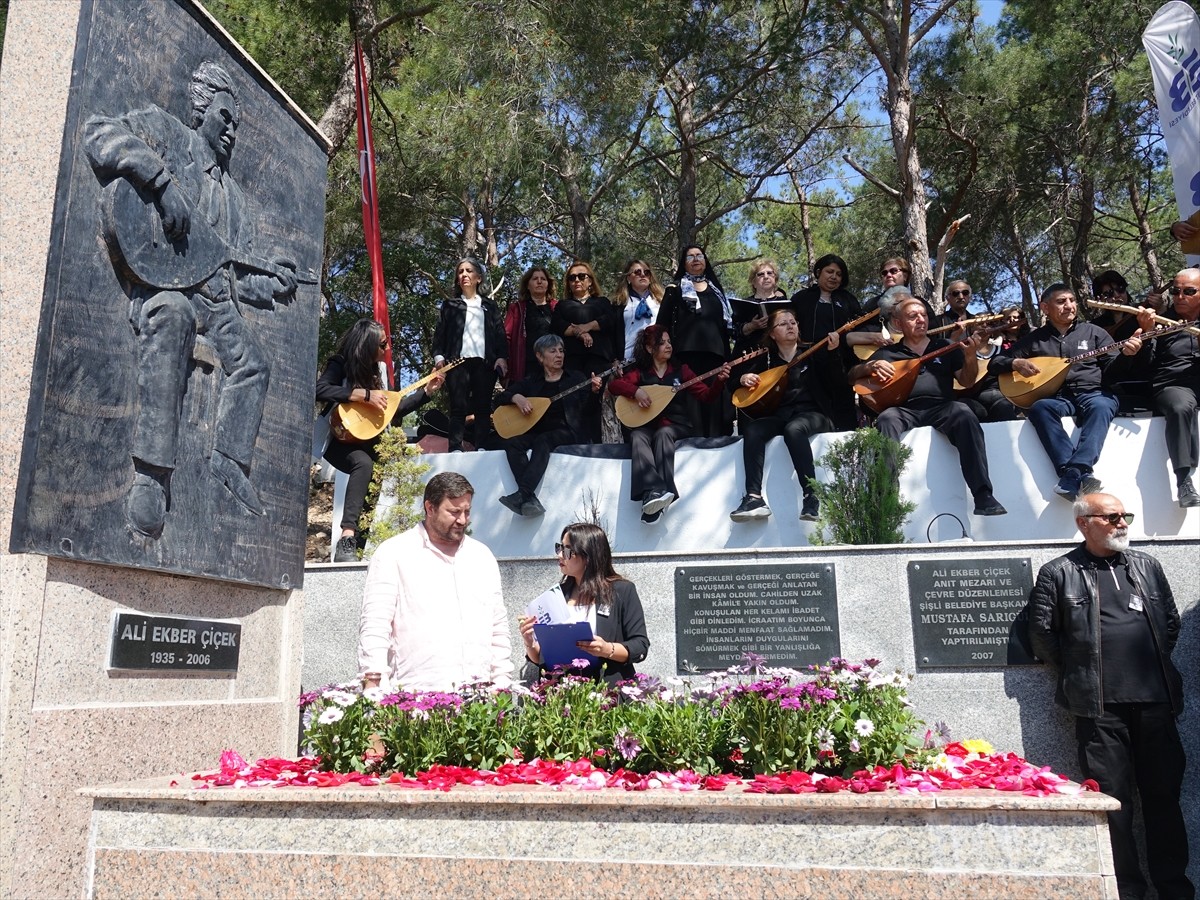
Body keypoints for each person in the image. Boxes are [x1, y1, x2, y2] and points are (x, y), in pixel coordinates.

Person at [83, 60, 298, 538]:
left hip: (218, 304)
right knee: (173, 316)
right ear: (203, 111)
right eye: (225, 118)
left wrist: (271, 285)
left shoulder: (235, 200)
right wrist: (160, 186)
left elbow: (229, 273)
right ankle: (152, 477)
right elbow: (98, 132)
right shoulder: (165, 133)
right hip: (167, 290)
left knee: (255, 362)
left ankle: (228, 461)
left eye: (238, 127)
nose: (231, 133)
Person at [1028, 492, 1192, 900]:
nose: (1122, 523)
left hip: (1156, 705)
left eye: (1125, 516)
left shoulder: (1147, 567)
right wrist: (1078, 669)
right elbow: (1042, 635)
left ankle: (1175, 889)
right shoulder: (1059, 572)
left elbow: (1169, 624)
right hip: (1099, 710)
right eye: (1112, 516)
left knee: (1164, 801)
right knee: (1114, 805)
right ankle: (1129, 892)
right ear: (1084, 523)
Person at [847, 295, 1007, 517]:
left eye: (923, 315)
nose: (920, 320)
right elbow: (852, 376)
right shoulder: (890, 352)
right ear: (899, 323)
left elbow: (967, 381)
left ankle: (983, 495)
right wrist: (870, 366)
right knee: (886, 419)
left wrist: (970, 356)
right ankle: (885, 501)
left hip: (941, 406)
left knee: (963, 412)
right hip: (905, 410)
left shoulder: (945, 346)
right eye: (912, 316)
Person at [359, 472, 513, 692]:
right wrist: (372, 688)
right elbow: (375, 623)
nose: (462, 520)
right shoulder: (394, 553)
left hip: (479, 698)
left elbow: (497, 625)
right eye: (454, 512)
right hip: (415, 696)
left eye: (467, 511)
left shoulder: (482, 556)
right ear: (430, 508)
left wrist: (502, 680)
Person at [988, 283, 1138, 501]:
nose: (1069, 306)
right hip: (1057, 398)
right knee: (1039, 408)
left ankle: (1074, 471)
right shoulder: (1035, 339)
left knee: (1103, 404)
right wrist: (1016, 362)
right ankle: (1081, 475)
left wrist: (1126, 355)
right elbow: (995, 364)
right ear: (1045, 308)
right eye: (1061, 302)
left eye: (1071, 300)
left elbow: (1113, 371)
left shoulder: (1095, 333)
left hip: (1093, 392)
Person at [317, 319, 443, 561]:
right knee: (363, 464)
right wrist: (363, 395)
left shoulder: (379, 372)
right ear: (366, 345)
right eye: (382, 344)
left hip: (368, 441)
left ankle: (357, 549)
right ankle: (347, 538)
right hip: (337, 439)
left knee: (375, 474)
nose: (386, 349)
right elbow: (319, 389)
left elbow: (391, 411)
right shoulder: (340, 363)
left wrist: (426, 392)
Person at [607, 325, 730, 524]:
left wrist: (719, 381)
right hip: (648, 426)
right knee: (637, 436)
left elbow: (706, 396)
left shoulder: (682, 371)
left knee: (664, 433)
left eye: (669, 342)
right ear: (649, 348)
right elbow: (614, 386)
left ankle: (661, 490)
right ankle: (652, 492)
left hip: (677, 425)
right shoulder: (640, 372)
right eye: (661, 343)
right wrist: (636, 392)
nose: (668, 346)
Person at [730, 308, 842, 522]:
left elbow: (837, 382)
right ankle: (753, 497)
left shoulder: (814, 351)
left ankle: (811, 496)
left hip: (815, 414)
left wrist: (834, 353)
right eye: (783, 324)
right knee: (753, 429)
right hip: (782, 415)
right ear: (772, 334)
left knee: (794, 429)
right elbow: (734, 383)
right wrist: (743, 378)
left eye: (793, 322)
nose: (791, 326)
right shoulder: (767, 360)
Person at [517, 522, 649, 683]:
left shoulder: (621, 591)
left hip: (609, 692)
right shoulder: (556, 597)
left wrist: (606, 649)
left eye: (567, 551)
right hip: (563, 696)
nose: (560, 555)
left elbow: (640, 645)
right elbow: (541, 660)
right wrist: (529, 642)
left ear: (588, 556)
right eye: (559, 548)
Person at [494, 334, 598, 517]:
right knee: (512, 443)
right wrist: (516, 397)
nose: (559, 355)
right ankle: (529, 499)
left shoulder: (575, 378)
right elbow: (498, 400)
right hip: (536, 430)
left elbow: (589, 412)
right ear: (540, 357)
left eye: (561, 351)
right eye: (553, 351)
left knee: (544, 440)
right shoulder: (532, 381)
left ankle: (523, 494)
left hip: (568, 431)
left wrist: (595, 393)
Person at [1125, 267, 1200, 508]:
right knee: (1179, 407)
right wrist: (1147, 333)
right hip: (1175, 384)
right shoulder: (1160, 321)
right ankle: (1184, 480)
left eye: (1188, 291)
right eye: (1176, 291)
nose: (1180, 297)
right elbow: (1144, 367)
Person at [655, 245, 735, 437]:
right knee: (691, 406)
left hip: (716, 357)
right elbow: (661, 324)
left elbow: (725, 326)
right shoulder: (675, 289)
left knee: (715, 405)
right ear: (684, 264)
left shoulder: (717, 291)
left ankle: (717, 445)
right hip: (685, 357)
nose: (695, 259)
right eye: (690, 257)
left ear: (705, 261)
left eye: (699, 255)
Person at [432, 258, 508, 452]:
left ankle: (482, 446)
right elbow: (440, 334)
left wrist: (502, 357)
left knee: (483, 407)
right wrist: (439, 358)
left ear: (478, 278)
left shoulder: (490, 306)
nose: (464, 275)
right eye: (460, 272)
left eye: (468, 271)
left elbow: (500, 334)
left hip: (485, 363)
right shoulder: (450, 305)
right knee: (458, 407)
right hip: (457, 363)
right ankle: (455, 448)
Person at [789, 253, 865, 431]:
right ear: (818, 272)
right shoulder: (801, 298)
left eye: (839, 274)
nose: (834, 277)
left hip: (841, 364)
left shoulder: (848, 300)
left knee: (843, 412)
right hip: (808, 363)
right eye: (829, 271)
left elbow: (860, 328)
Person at [551, 260, 622, 442]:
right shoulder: (563, 305)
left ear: (590, 280)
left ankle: (604, 446)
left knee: (601, 405)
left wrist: (585, 327)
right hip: (573, 363)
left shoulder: (602, 302)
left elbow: (609, 322)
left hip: (601, 361)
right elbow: (559, 326)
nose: (577, 280)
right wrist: (580, 334)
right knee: (576, 405)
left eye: (582, 276)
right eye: (572, 277)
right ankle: (579, 446)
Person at [503, 266, 557, 384]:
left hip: (553, 367)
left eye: (543, 279)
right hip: (525, 367)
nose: (539, 281)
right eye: (535, 279)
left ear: (548, 284)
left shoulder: (557, 307)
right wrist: (504, 361)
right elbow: (506, 337)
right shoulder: (517, 308)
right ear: (527, 285)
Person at [732, 258, 789, 354]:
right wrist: (751, 326)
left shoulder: (786, 304)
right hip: (748, 359)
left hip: (777, 356)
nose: (766, 277)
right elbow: (733, 331)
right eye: (760, 274)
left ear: (775, 279)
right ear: (753, 282)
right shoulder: (743, 304)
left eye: (770, 273)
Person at [613, 259, 665, 361]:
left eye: (647, 272)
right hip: (628, 359)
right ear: (628, 278)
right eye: (637, 272)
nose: (642, 275)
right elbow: (613, 335)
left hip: (657, 358)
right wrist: (615, 360)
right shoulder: (619, 303)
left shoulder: (661, 301)